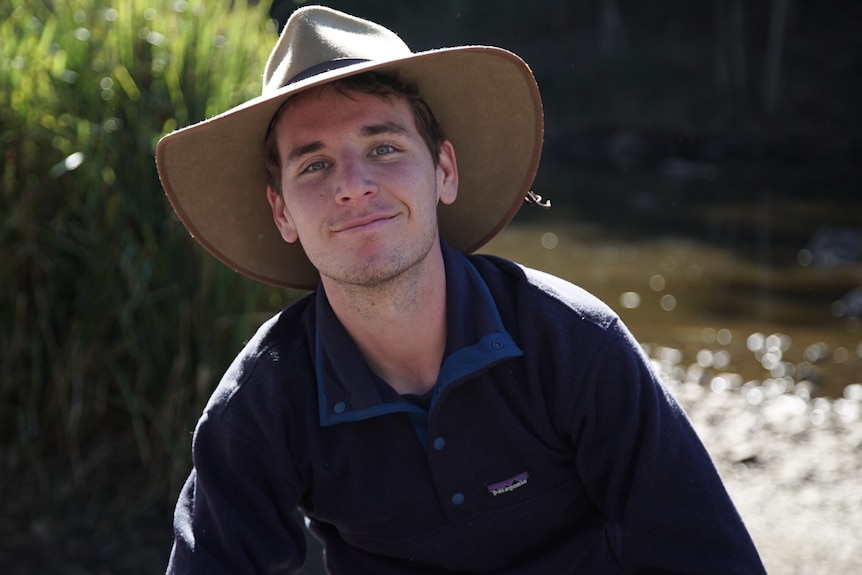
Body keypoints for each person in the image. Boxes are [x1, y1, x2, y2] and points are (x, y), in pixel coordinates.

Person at [156, 6, 766, 574]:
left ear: (444, 170)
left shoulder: (575, 343)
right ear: (281, 212)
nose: (353, 185)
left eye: (384, 148)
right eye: (314, 165)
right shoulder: (261, 403)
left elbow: (707, 555)